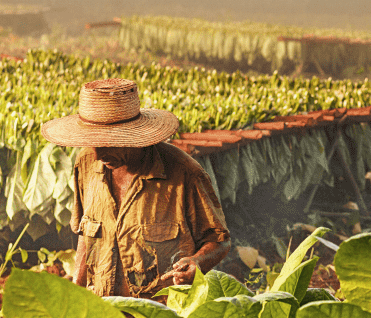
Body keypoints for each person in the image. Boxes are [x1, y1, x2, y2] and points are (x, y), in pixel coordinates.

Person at [41, 78, 230, 297]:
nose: (100, 155)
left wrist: (197, 262)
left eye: (108, 144)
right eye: (93, 143)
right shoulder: (86, 163)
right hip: (105, 314)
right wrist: (77, 289)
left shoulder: (183, 172)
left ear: (134, 135)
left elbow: (219, 241)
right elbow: (86, 234)